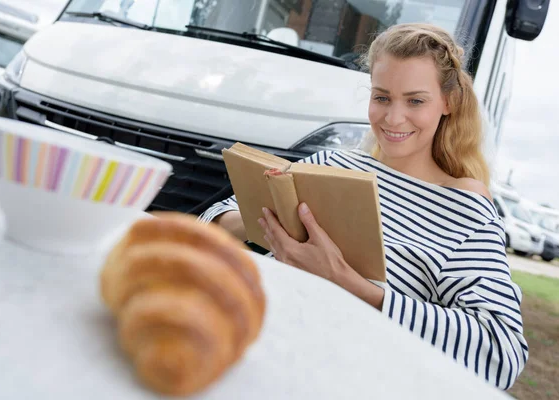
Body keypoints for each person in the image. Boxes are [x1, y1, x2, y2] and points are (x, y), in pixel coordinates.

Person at [198, 23, 527, 390]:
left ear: (447, 102)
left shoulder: (465, 210)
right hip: (247, 351)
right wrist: (276, 220)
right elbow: (211, 220)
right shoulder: (330, 164)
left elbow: (502, 352)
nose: (393, 117)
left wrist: (347, 282)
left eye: (415, 101)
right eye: (382, 97)